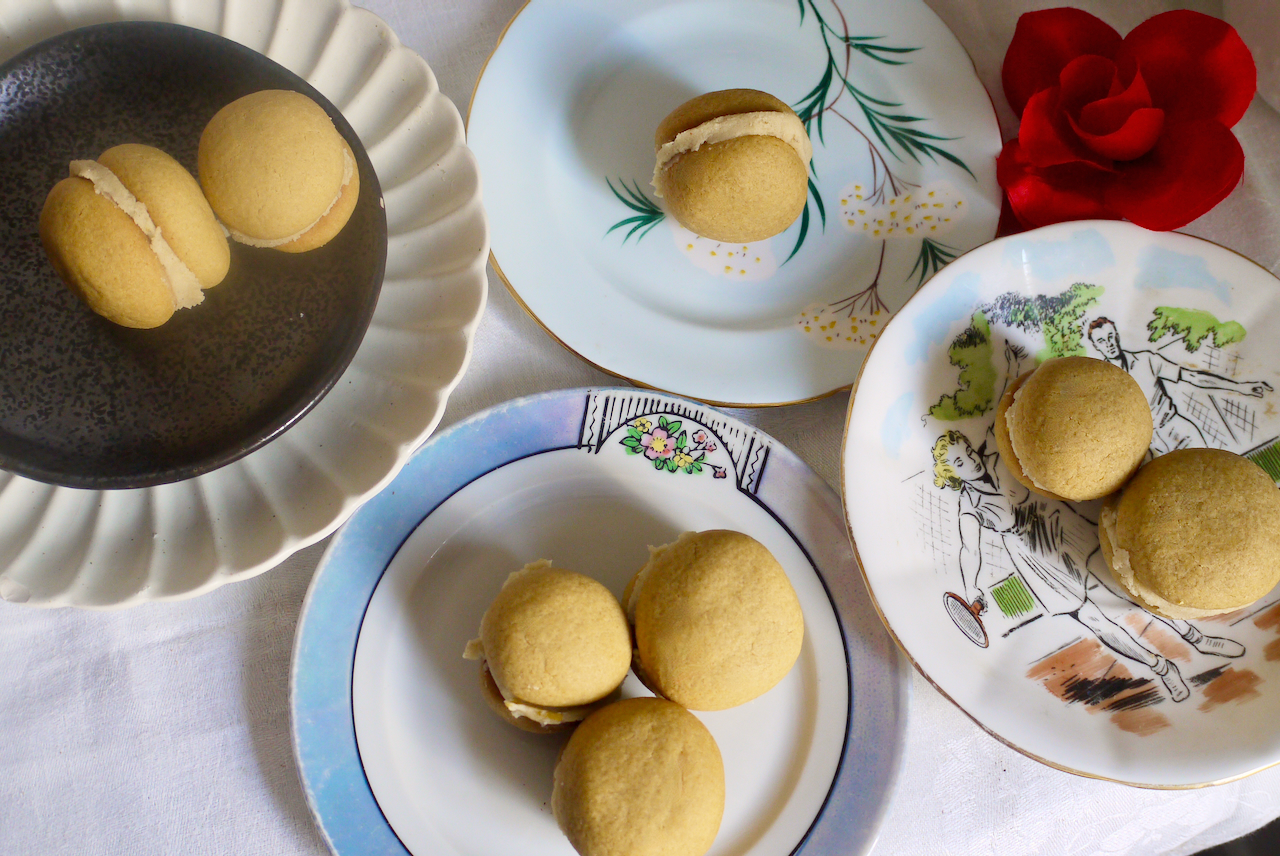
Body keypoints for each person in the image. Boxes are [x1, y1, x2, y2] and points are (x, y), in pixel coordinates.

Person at [931, 429, 1245, 703]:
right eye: (960, 463)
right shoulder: (969, 509)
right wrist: (971, 588)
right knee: (1097, 621)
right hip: (1040, 560)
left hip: (1064, 527)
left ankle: (1198, 639)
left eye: (969, 452)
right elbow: (970, 550)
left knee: (1125, 590)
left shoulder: (997, 456)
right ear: (952, 475)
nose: (971, 460)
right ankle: (1161, 668)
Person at [1086, 317, 1271, 455]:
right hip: (1142, 448)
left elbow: (1192, 377)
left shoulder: (1146, 360)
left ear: (1117, 336)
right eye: (1102, 341)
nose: (1109, 344)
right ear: (1095, 346)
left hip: (1177, 429)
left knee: (1207, 473)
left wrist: (1242, 388)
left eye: (1111, 336)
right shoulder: (1095, 384)